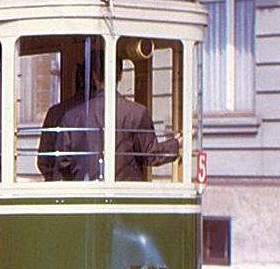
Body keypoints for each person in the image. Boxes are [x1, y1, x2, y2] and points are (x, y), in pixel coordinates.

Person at [40, 53, 180, 181]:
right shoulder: (137, 112)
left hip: (82, 195)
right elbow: (151, 155)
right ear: (120, 75)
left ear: (93, 76)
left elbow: (62, 162)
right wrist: (176, 144)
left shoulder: (71, 116)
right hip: (126, 199)